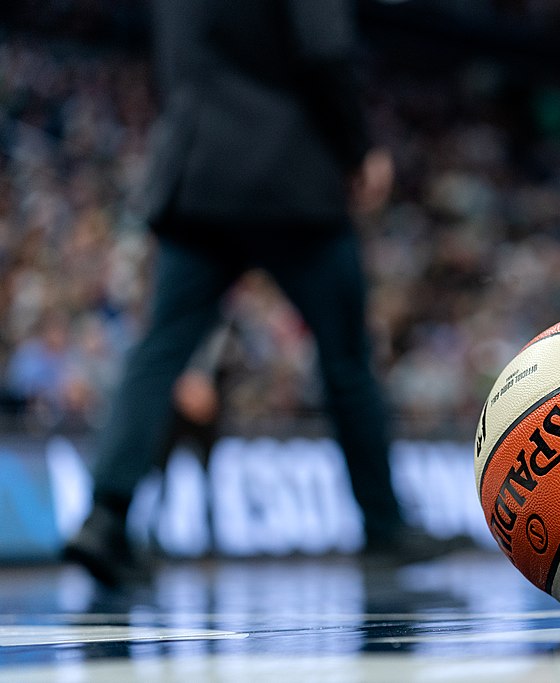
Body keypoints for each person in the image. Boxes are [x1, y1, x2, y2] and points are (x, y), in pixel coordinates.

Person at [64, 0, 443, 587]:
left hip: (198, 171)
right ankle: (385, 526)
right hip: (290, 173)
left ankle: (104, 516)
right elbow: (324, 49)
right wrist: (358, 148)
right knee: (347, 360)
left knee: (159, 352)